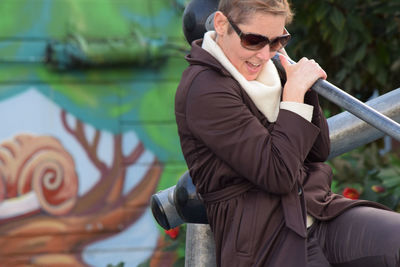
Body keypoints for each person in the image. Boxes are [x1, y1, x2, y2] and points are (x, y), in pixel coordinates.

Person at [175, 0, 400, 266]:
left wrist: (303, 88)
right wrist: (293, 95)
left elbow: (319, 150)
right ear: (222, 24)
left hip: (319, 212)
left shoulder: (274, 69)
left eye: (277, 41)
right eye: (254, 40)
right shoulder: (204, 90)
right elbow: (277, 174)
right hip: (265, 240)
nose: (264, 54)